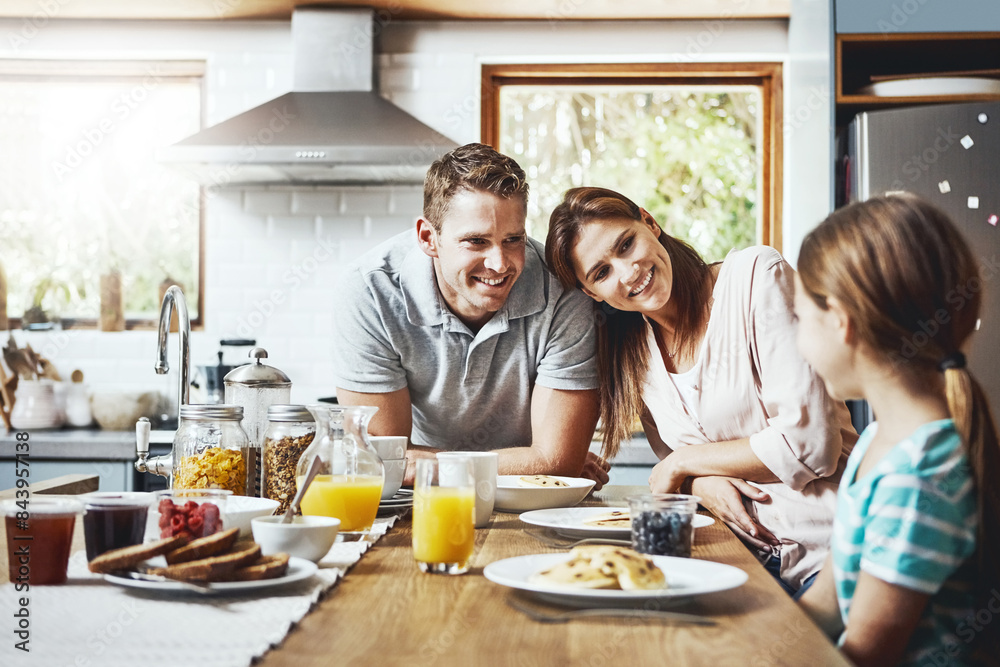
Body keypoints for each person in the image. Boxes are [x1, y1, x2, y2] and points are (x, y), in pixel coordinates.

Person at [545, 186, 857, 595]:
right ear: (591, 292)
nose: (627, 272)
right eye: (601, 273)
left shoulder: (755, 277)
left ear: (650, 223)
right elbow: (674, 459)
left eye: (626, 244)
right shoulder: (630, 351)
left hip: (828, 558)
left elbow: (810, 445)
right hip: (728, 559)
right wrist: (696, 482)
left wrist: (683, 467)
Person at [795, 193, 1000, 666]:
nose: (800, 344)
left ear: (841, 322)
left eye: (801, 319)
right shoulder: (878, 441)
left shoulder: (919, 473)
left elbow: (866, 654)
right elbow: (826, 603)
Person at [331, 143, 609, 487]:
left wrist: (426, 463)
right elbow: (385, 464)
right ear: (428, 238)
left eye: (513, 239)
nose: (500, 263)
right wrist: (533, 462)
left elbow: (556, 461)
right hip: (425, 502)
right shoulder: (370, 291)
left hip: (528, 499)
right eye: (476, 241)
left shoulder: (563, 289)